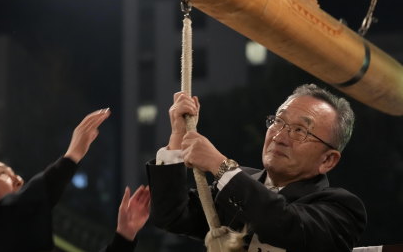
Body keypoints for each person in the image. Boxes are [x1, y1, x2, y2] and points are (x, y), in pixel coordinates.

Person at [146, 84, 367, 251]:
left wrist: (221, 166)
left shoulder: (342, 209)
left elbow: (285, 224)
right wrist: (177, 137)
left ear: (328, 160)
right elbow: (171, 216)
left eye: (300, 131)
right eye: (278, 121)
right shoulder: (237, 183)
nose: (279, 136)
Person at [0, 107, 150, 252]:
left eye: (16, 174)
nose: (19, 180)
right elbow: (18, 207)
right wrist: (71, 157)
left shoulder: (12, 235)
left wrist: (124, 235)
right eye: (3, 174)